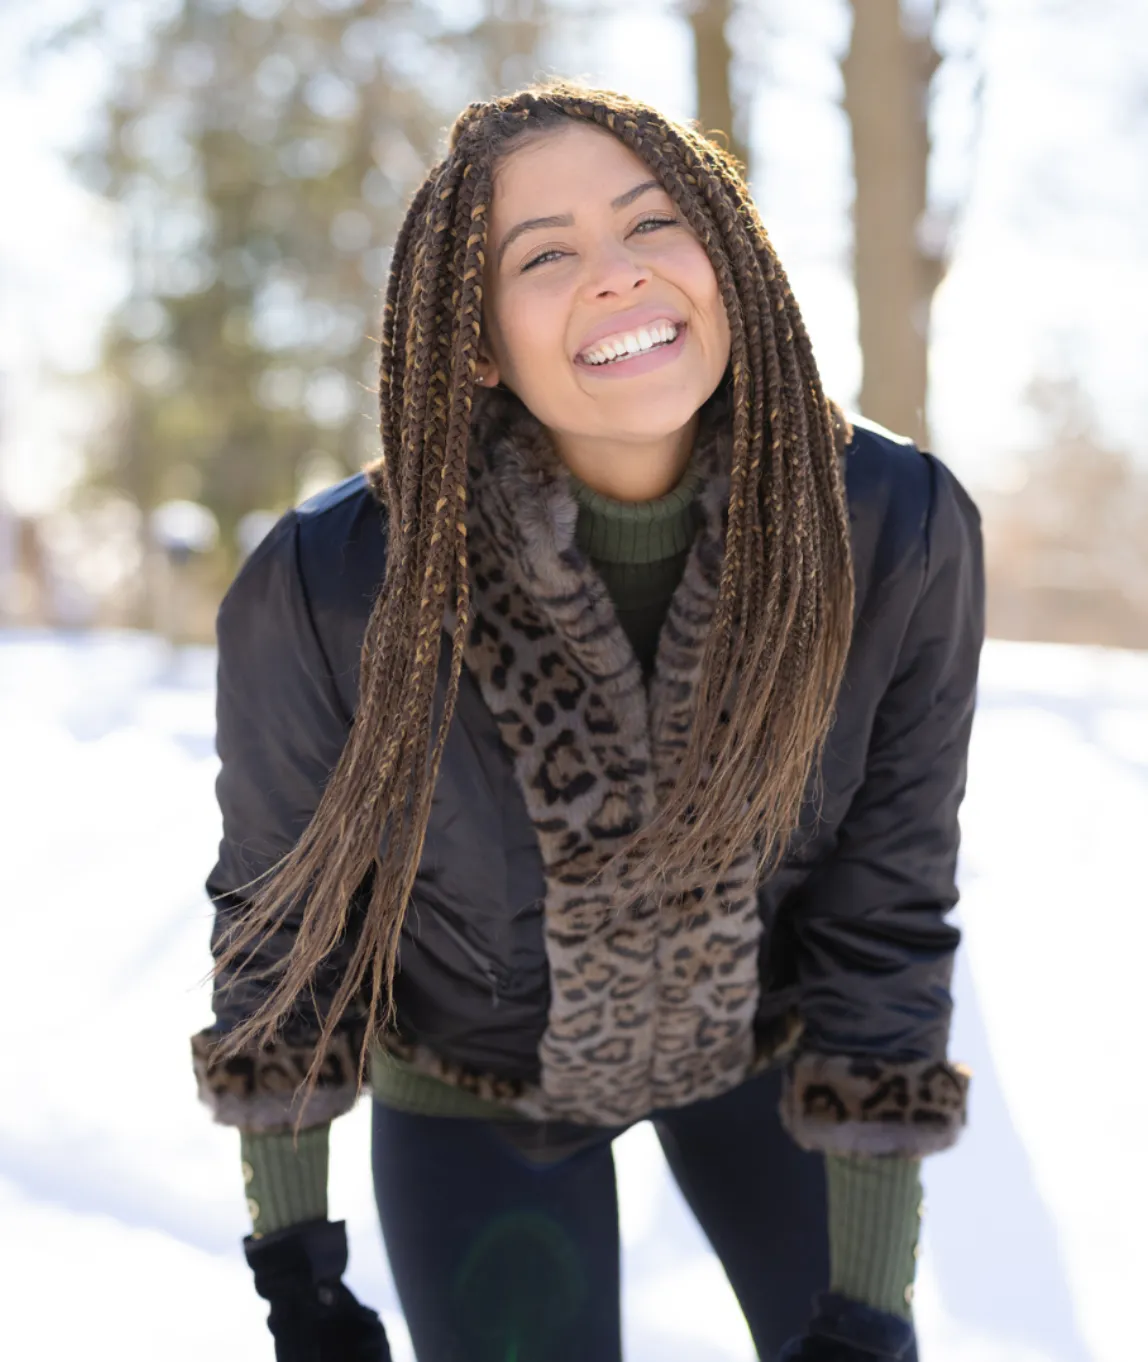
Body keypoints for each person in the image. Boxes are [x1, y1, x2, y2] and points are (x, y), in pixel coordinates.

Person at [191, 81, 984, 1362]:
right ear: (476, 339)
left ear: (728, 256)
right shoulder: (333, 581)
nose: (614, 275)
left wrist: (872, 1300)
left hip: (759, 1056)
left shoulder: (889, 528)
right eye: (544, 253)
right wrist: (298, 1272)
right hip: (476, 1092)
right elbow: (286, 935)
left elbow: (886, 901)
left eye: (652, 223)